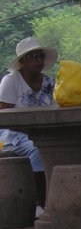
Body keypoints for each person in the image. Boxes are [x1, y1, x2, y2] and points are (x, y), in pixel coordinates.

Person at [0, 36, 58, 213]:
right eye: (33, 56)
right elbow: (3, 117)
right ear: (22, 61)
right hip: (14, 134)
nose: (39, 60)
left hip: (44, 133)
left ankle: (58, 198)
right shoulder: (11, 81)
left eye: (40, 56)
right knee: (37, 149)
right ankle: (41, 203)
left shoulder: (49, 83)